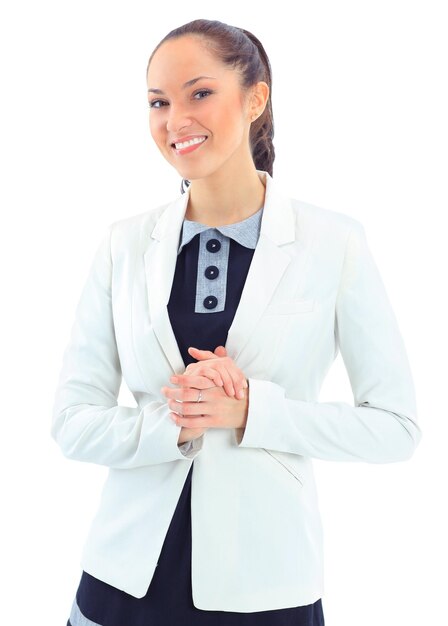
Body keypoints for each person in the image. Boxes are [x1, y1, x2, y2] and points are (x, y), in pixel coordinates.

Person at [51, 18, 422, 626]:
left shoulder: (333, 244)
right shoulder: (123, 245)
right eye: (158, 102)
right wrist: (173, 423)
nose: (175, 120)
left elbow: (396, 427)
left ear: (256, 98)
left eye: (199, 93)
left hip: (266, 589)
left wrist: (253, 411)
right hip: (123, 584)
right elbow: (71, 422)